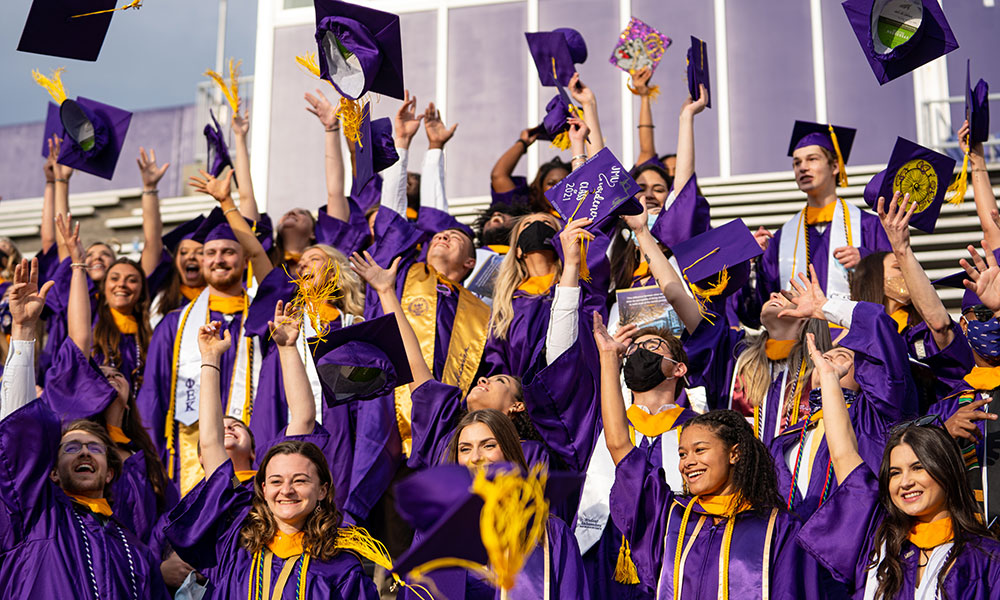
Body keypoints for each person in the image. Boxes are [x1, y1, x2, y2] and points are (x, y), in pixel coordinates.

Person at [600, 315, 815, 600]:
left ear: (734, 453)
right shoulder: (672, 517)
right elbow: (619, 446)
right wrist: (607, 359)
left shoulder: (779, 528)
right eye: (682, 453)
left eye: (700, 450)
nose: (688, 461)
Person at [0, 257, 169, 599]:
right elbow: (16, 431)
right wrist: (23, 332)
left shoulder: (136, 553)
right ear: (53, 474)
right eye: (72, 447)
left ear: (110, 474)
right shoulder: (37, 520)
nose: (85, 452)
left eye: (94, 448)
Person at [796, 333, 1000, 598]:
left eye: (918, 468)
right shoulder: (877, 539)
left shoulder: (987, 559)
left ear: (945, 470)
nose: (905, 482)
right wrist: (829, 379)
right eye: (895, 473)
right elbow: (844, 454)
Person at [137, 200, 262, 497]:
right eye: (211, 253)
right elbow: (153, 395)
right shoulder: (174, 326)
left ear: (245, 260)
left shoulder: (262, 322)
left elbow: (272, 397)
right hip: (184, 463)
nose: (219, 259)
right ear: (202, 261)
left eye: (228, 252)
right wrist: (152, 463)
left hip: (251, 458)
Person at [397, 410, 590, 600]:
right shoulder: (434, 534)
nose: (475, 457)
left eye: (488, 446)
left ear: (509, 452)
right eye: (465, 449)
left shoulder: (551, 535)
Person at [583, 313, 701, 599]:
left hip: (676, 555)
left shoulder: (701, 428)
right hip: (605, 558)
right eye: (634, 349)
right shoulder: (598, 426)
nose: (640, 351)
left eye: (653, 346)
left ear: (679, 369)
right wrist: (609, 355)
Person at [742, 121, 890, 328]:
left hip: (853, 345)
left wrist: (867, 262)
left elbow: (901, 283)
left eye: (812, 159)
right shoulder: (782, 239)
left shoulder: (869, 226)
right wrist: (748, 263)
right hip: (798, 347)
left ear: (835, 166)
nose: (803, 167)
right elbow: (755, 308)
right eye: (797, 163)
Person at [609, 82, 711, 297]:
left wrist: (686, 117)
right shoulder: (615, 251)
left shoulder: (682, 240)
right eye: (642, 188)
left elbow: (683, 187)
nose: (649, 195)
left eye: (659, 189)